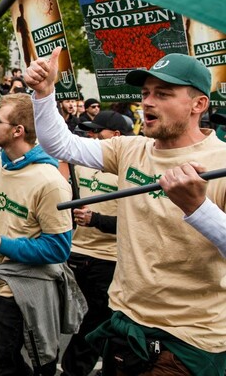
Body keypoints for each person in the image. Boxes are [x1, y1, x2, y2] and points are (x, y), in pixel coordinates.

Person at [25, 47, 226, 375]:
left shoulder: (222, 162)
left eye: (163, 94)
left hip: (188, 338)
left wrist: (197, 207)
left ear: (198, 104)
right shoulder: (131, 148)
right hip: (126, 322)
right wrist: (45, 93)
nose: (148, 101)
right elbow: (60, 145)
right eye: (146, 93)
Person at [0, 93, 84, 376]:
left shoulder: (50, 181)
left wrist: (3, 244)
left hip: (25, 290)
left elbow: (58, 249)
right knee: (12, 365)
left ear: (18, 130)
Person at [60, 111, 131, 376]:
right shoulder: (82, 164)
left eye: (96, 131)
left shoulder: (129, 173)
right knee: (68, 320)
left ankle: (73, 371)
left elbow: (136, 225)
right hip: (73, 254)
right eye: (89, 130)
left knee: (94, 324)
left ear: (116, 136)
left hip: (108, 260)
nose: (90, 136)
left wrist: (96, 219)